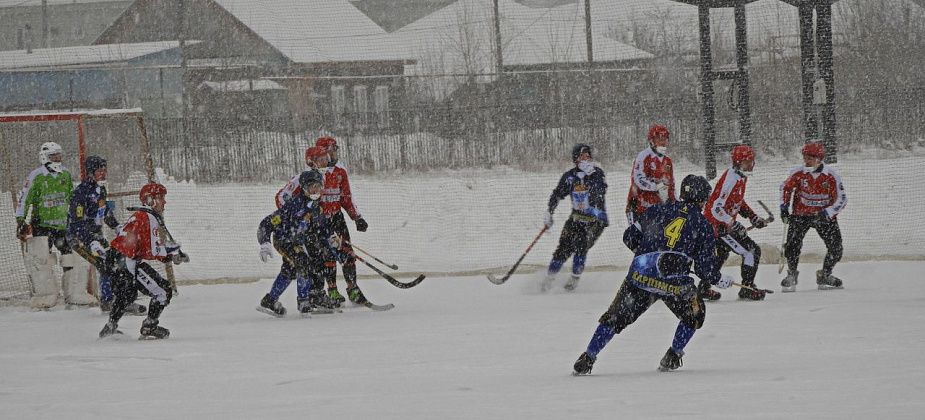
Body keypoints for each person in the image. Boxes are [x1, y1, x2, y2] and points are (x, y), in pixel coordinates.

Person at [572, 175, 733, 375]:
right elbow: (704, 270)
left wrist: (647, 252)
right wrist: (719, 279)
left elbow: (629, 237)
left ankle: (587, 357)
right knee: (695, 314)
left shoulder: (656, 210)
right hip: (674, 283)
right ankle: (673, 356)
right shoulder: (703, 225)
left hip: (641, 275)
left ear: (683, 193)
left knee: (614, 318)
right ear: (703, 199)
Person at [98, 183, 188, 339]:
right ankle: (149, 327)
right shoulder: (148, 216)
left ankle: (110, 327)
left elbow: (146, 246)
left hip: (118, 260)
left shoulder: (141, 215)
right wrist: (171, 255)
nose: (164, 202)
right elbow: (152, 250)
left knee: (126, 295)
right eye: (160, 198)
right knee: (163, 291)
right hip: (125, 262)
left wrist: (168, 251)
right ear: (149, 200)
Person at [67, 156, 146, 314]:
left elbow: (104, 211)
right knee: (105, 265)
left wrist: (116, 226)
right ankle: (109, 301)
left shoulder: (100, 190)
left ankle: (122, 298)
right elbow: (76, 223)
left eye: (104, 170)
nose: (103, 173)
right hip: (79, 237)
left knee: (117, 260)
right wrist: (90, 242)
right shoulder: (80, 193)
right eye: (99, 170)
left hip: (95, 234)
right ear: (90, 172)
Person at [257, 170, 338, 316]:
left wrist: (331, 236)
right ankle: (304, 301)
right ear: (304, 188)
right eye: (313, 187)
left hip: (296, 242)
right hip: (283, 240)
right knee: (303, 262)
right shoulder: (294, 204)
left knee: (289, 270)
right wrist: (264, 242)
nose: (316, 190)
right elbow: (266, 223)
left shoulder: (316, 206)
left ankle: (270, 300)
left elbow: (322, 225)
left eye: (319, 186)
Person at [15, 142, 84, 309]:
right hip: (42, 225)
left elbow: (71, 198)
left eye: (59, 155)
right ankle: (46, 295)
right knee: (42, 261)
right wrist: (20, 220)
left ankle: (72, 292)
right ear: (45, 157)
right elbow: (25, 198)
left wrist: (78, 216)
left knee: (69, 258)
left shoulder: (65, 174)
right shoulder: (36, 176)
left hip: (62, 226)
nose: (57, 159)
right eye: (53, 156)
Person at [701, 145, 770, 301]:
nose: (751, 164)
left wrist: (752, 217)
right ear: (738, 162)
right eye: (747, 161)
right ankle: (747, 287)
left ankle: (703, 289)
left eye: (752, 161)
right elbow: (714, 208)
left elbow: (737, 201)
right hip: (718, 228)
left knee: (720, 255)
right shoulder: (731, 179)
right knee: (751, 251)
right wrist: (731, 223)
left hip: (721, 226)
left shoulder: (740, 176)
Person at [779, 142, 847, 292]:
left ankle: (825, 274)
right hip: (800, 215)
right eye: (805, 157)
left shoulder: (831, 176)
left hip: (823, 216)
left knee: (836, 248)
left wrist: (827, 213)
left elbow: (842, 199)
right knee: (791, 246)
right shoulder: (798, 172)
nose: (806, 161)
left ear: (820, 159)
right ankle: (791, 275)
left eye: (810, 158)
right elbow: (785, 187)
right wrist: (783, 207)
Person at [541, 143, 608, 292]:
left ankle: (574, 280)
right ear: (576, 159)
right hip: (576, 218)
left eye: (588, 155)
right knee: (563, 249)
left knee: (580, 246)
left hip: (596, 221)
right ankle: (548, 279)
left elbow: (600, 191)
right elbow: (557, 193)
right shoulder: (570, 177)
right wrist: (549, 212)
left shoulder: (597, 173)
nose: (586, 158)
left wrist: (590, 177)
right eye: (582, 156)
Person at [314, 136, 369, 306]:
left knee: (347, 252)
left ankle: (352, 288)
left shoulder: (340, 172)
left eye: (335, 149)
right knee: (327, 255)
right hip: (320, 221)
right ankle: (332, 289)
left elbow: (346, 197)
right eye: (331, 150)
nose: (334, 153)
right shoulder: (313, 174)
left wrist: (357, 217)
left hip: (337, 217)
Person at [626, 124, 675, 225]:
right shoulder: (643, 157)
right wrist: (657, 186)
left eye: (665, 139)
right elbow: (639, 180)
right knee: (638, 239)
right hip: (640, 207)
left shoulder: (667, 161)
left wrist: (674, 201)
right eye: (659, 138)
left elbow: (671, 184)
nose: (662, 142)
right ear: (651, 141)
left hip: (659, 210)